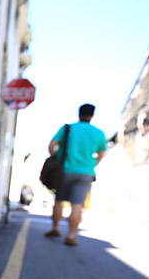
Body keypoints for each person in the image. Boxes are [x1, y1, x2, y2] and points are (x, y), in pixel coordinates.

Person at [44, 103, 107, 246]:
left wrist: (56, 158)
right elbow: (101, 154)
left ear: (79, 114)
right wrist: (91, 165)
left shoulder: (68, 129)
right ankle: (71, 236)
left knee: (59, 200)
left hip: (65, 170)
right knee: (77, 206)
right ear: (92, 115)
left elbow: (52, 145)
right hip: (85, 173)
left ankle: (55, 228)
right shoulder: (99, 133)